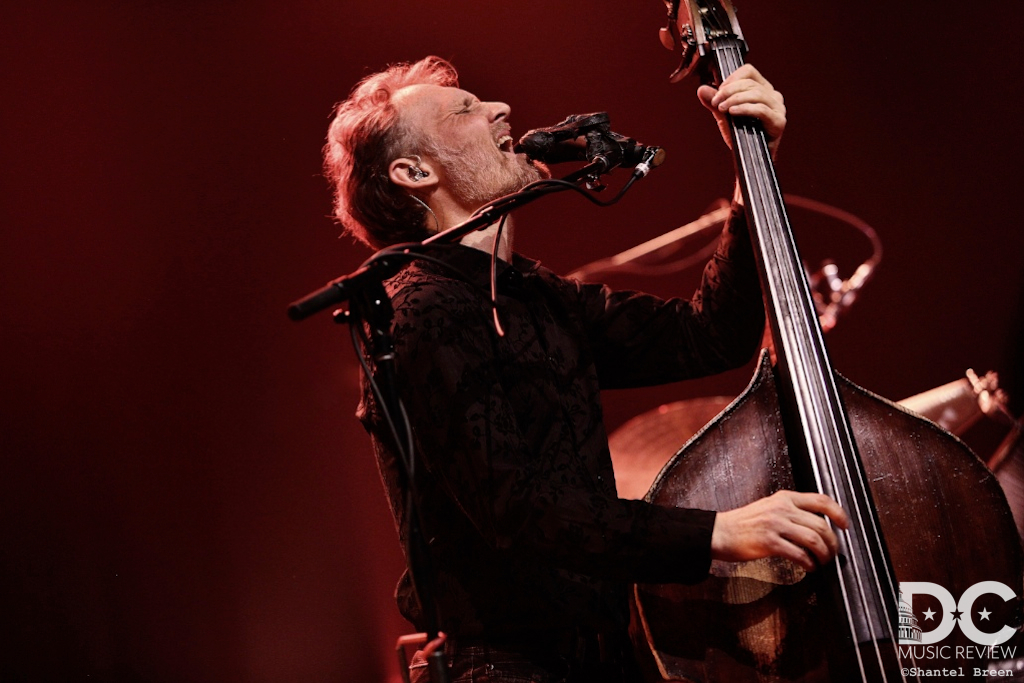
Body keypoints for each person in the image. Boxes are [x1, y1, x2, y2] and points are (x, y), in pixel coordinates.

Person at [322, 56, 849, 683]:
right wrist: (718, 532)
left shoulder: (536, 295)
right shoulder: (417, 311)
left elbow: (708, 337)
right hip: (504, 667)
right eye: (464, 109)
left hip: (602, 655)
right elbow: (521, 511)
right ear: (414, 172)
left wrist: (749, 174)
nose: (500, 109)